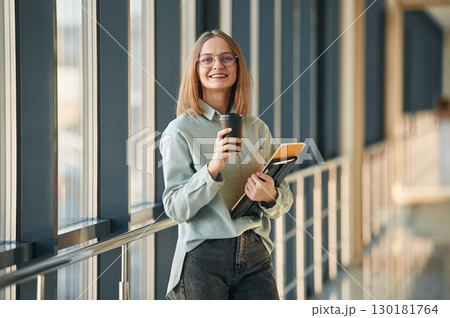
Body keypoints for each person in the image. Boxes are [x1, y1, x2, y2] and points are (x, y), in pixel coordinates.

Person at [159, 29, 294, 300]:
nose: (217, 65)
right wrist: (212, 168)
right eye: (206, 59)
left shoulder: (257, 128)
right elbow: (175, 208)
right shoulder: (179, 130)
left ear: (237, 65)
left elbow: (284, 201)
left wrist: (270, 196)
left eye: (226, 58)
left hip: (254, 253)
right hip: (203, 258)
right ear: (195, 70)